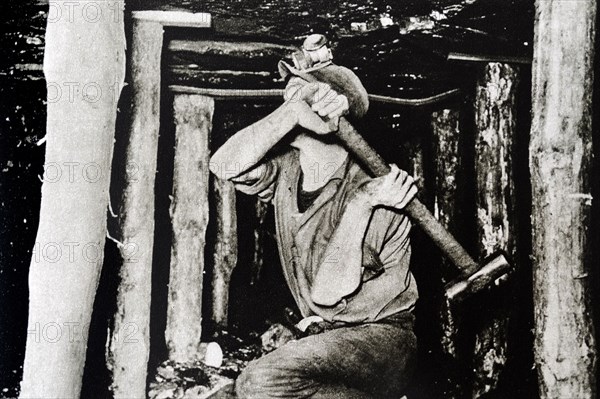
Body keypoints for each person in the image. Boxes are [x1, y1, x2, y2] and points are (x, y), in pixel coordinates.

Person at [209, 59, 419, 399]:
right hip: (323, 334)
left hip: (380, 342)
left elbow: (326, 294)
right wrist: (292, 111)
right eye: (290, 99)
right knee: (225, 396)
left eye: (301, 97)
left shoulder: (377, 192)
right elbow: (223, 165)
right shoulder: (287, 173)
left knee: (261, 382)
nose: (289, 106)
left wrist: (362, 202)